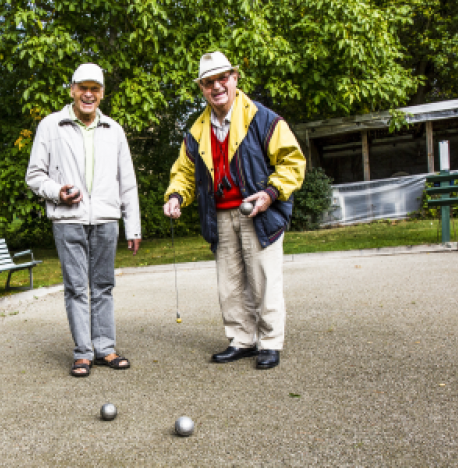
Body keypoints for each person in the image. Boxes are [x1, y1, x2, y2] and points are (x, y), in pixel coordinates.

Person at [163, 52, 305, 369]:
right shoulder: (196, 130)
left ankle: (269, 343)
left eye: (222, 78)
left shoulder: (263, 118)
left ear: (235, 78)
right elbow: (184, 173)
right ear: (201, 88)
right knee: (230, 285)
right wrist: (175, 196)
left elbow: (292, 163)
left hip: (260, 211)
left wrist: (270, 193)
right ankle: (242, 340)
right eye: (208, 82)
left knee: (264, 280)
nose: (216, 86)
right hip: (220, 215)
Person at [26, 63, 142, 377]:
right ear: (72, 90)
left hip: (106, 218)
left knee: (103, 286)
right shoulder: (51, 125)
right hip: (68, 219)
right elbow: (34, 175)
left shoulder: (114, 130)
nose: (88, 94)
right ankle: (83, 353)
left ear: (102, 93)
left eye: (95, 89)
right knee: (76, 288)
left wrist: (132, 226)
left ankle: (104, 348)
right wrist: (57, 192)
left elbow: (127, 182)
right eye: (83, 88)